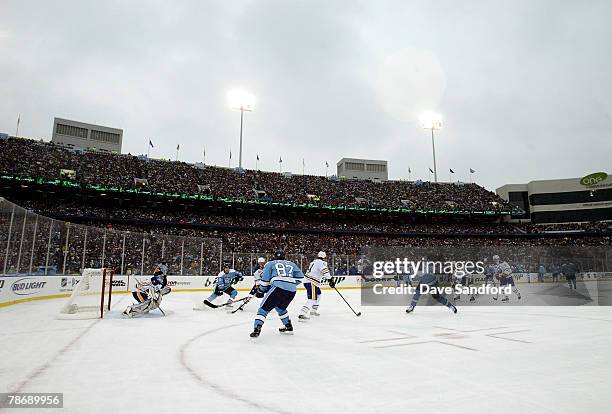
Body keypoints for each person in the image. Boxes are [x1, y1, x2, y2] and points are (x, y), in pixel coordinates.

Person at [250, 250, 304, 338]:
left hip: (278, 288)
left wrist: (260, 291)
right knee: (280, 308)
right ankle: (288, 326)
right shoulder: (292, 264)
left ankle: (257, 329)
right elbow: (301, 278)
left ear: (274, 256)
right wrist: (289, 283)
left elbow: (265, 280)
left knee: (263, 309)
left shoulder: (270, 263)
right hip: (291, 291)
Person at [298, 251, 332, 321]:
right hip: (311, 282)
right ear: (324, 257)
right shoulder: (320, 263)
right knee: (312, 299)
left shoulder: (314, 262)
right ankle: (302, 314)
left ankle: (313, 310)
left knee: (319, 294)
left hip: (310, 281)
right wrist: (330, 280)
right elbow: (325, 271)